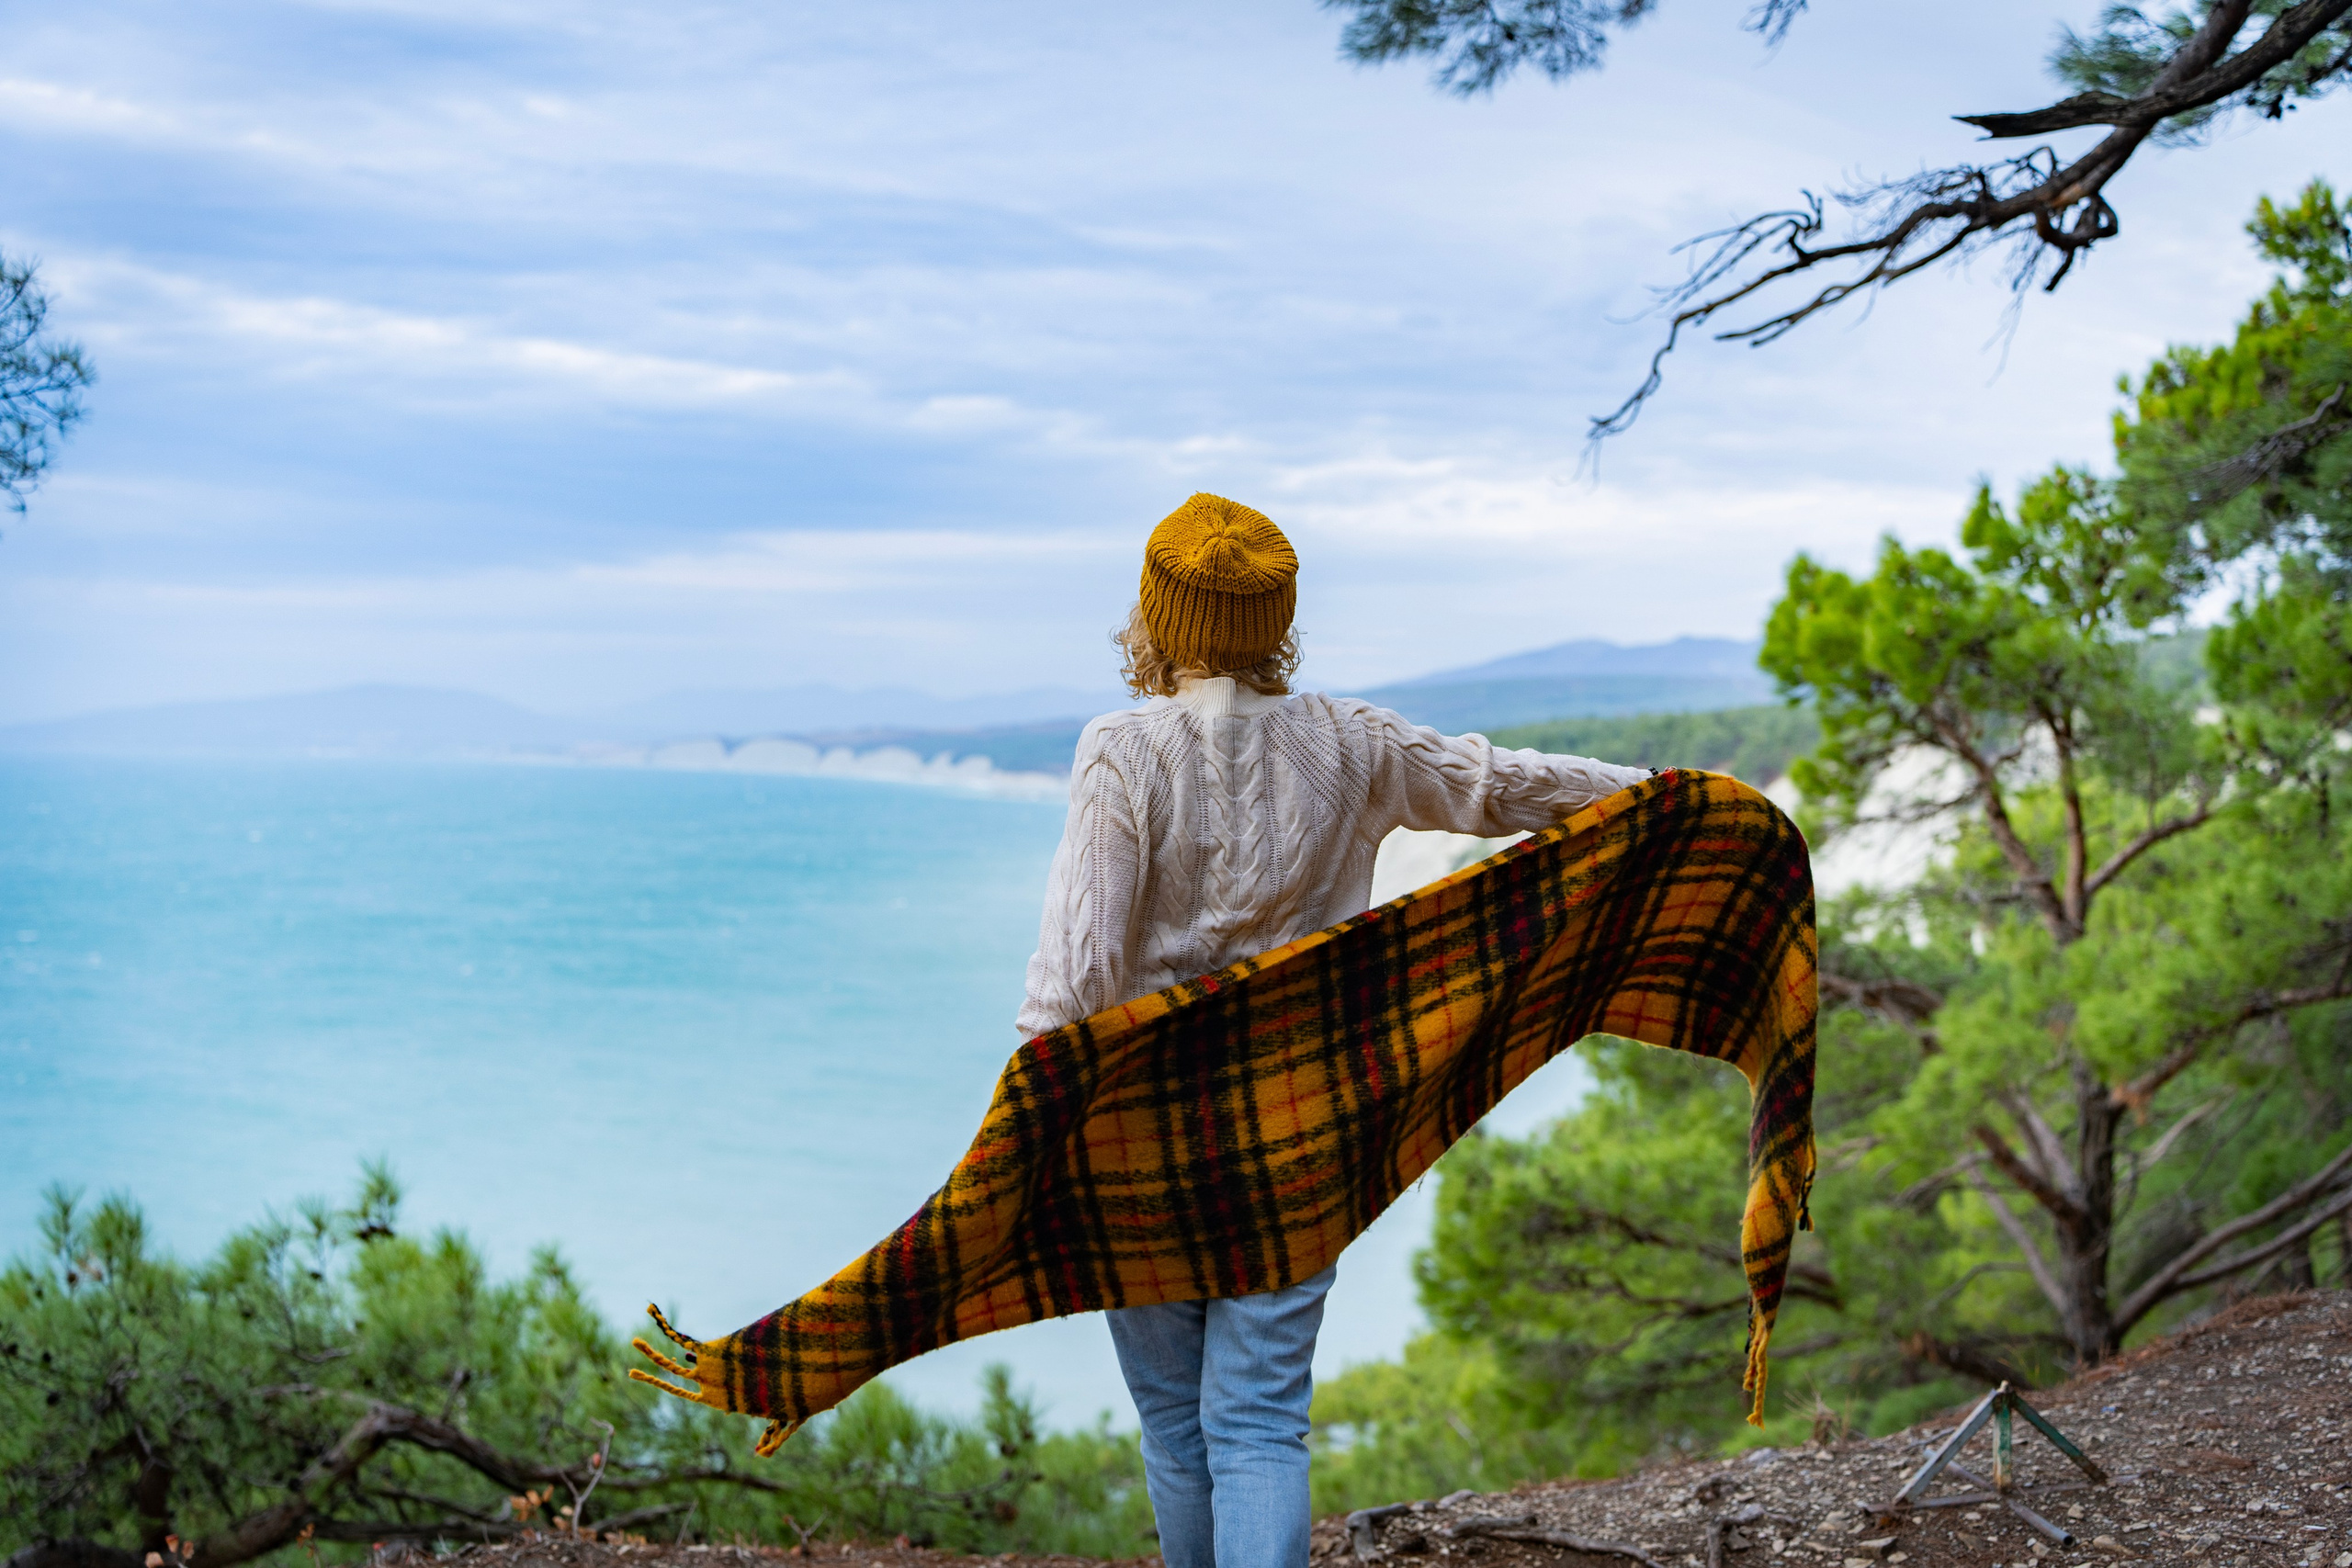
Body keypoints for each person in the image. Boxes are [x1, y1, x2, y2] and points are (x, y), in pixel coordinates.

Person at [1016, 493, 1648, 1568]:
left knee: (1176, 1425)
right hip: (1302, 1127)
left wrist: (1020, 1138)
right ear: (1278, 623)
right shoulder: (1354, 745)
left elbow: (1078, 975)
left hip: (1141, 1131)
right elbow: (1501, 788)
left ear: (1155, 620)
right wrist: (1656, 793)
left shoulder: (1120, 750)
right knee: (1259, 1419)